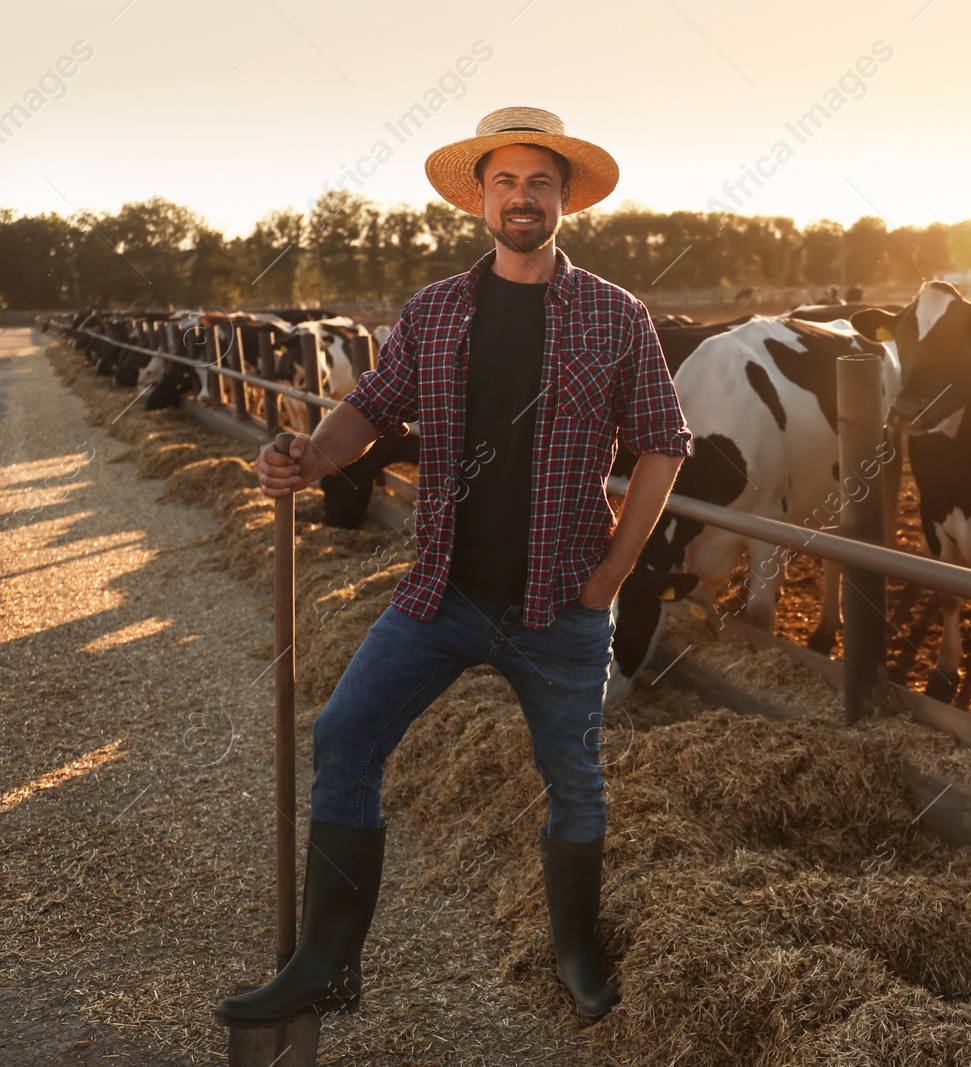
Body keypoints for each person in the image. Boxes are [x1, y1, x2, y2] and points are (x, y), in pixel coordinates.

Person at [215, 107, 688, 1030]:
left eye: (540, 183)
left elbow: (663, 446)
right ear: (479, 198)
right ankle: (325, 961)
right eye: (506, 181)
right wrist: (310, 457)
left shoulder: (613, 312)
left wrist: (612, 576)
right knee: (346, 736)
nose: (522, 197)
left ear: (563, 201)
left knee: (576, 781)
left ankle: (574, 951)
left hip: (562, 606)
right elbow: (372, 408)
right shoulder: (435, 309)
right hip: (443, 594)